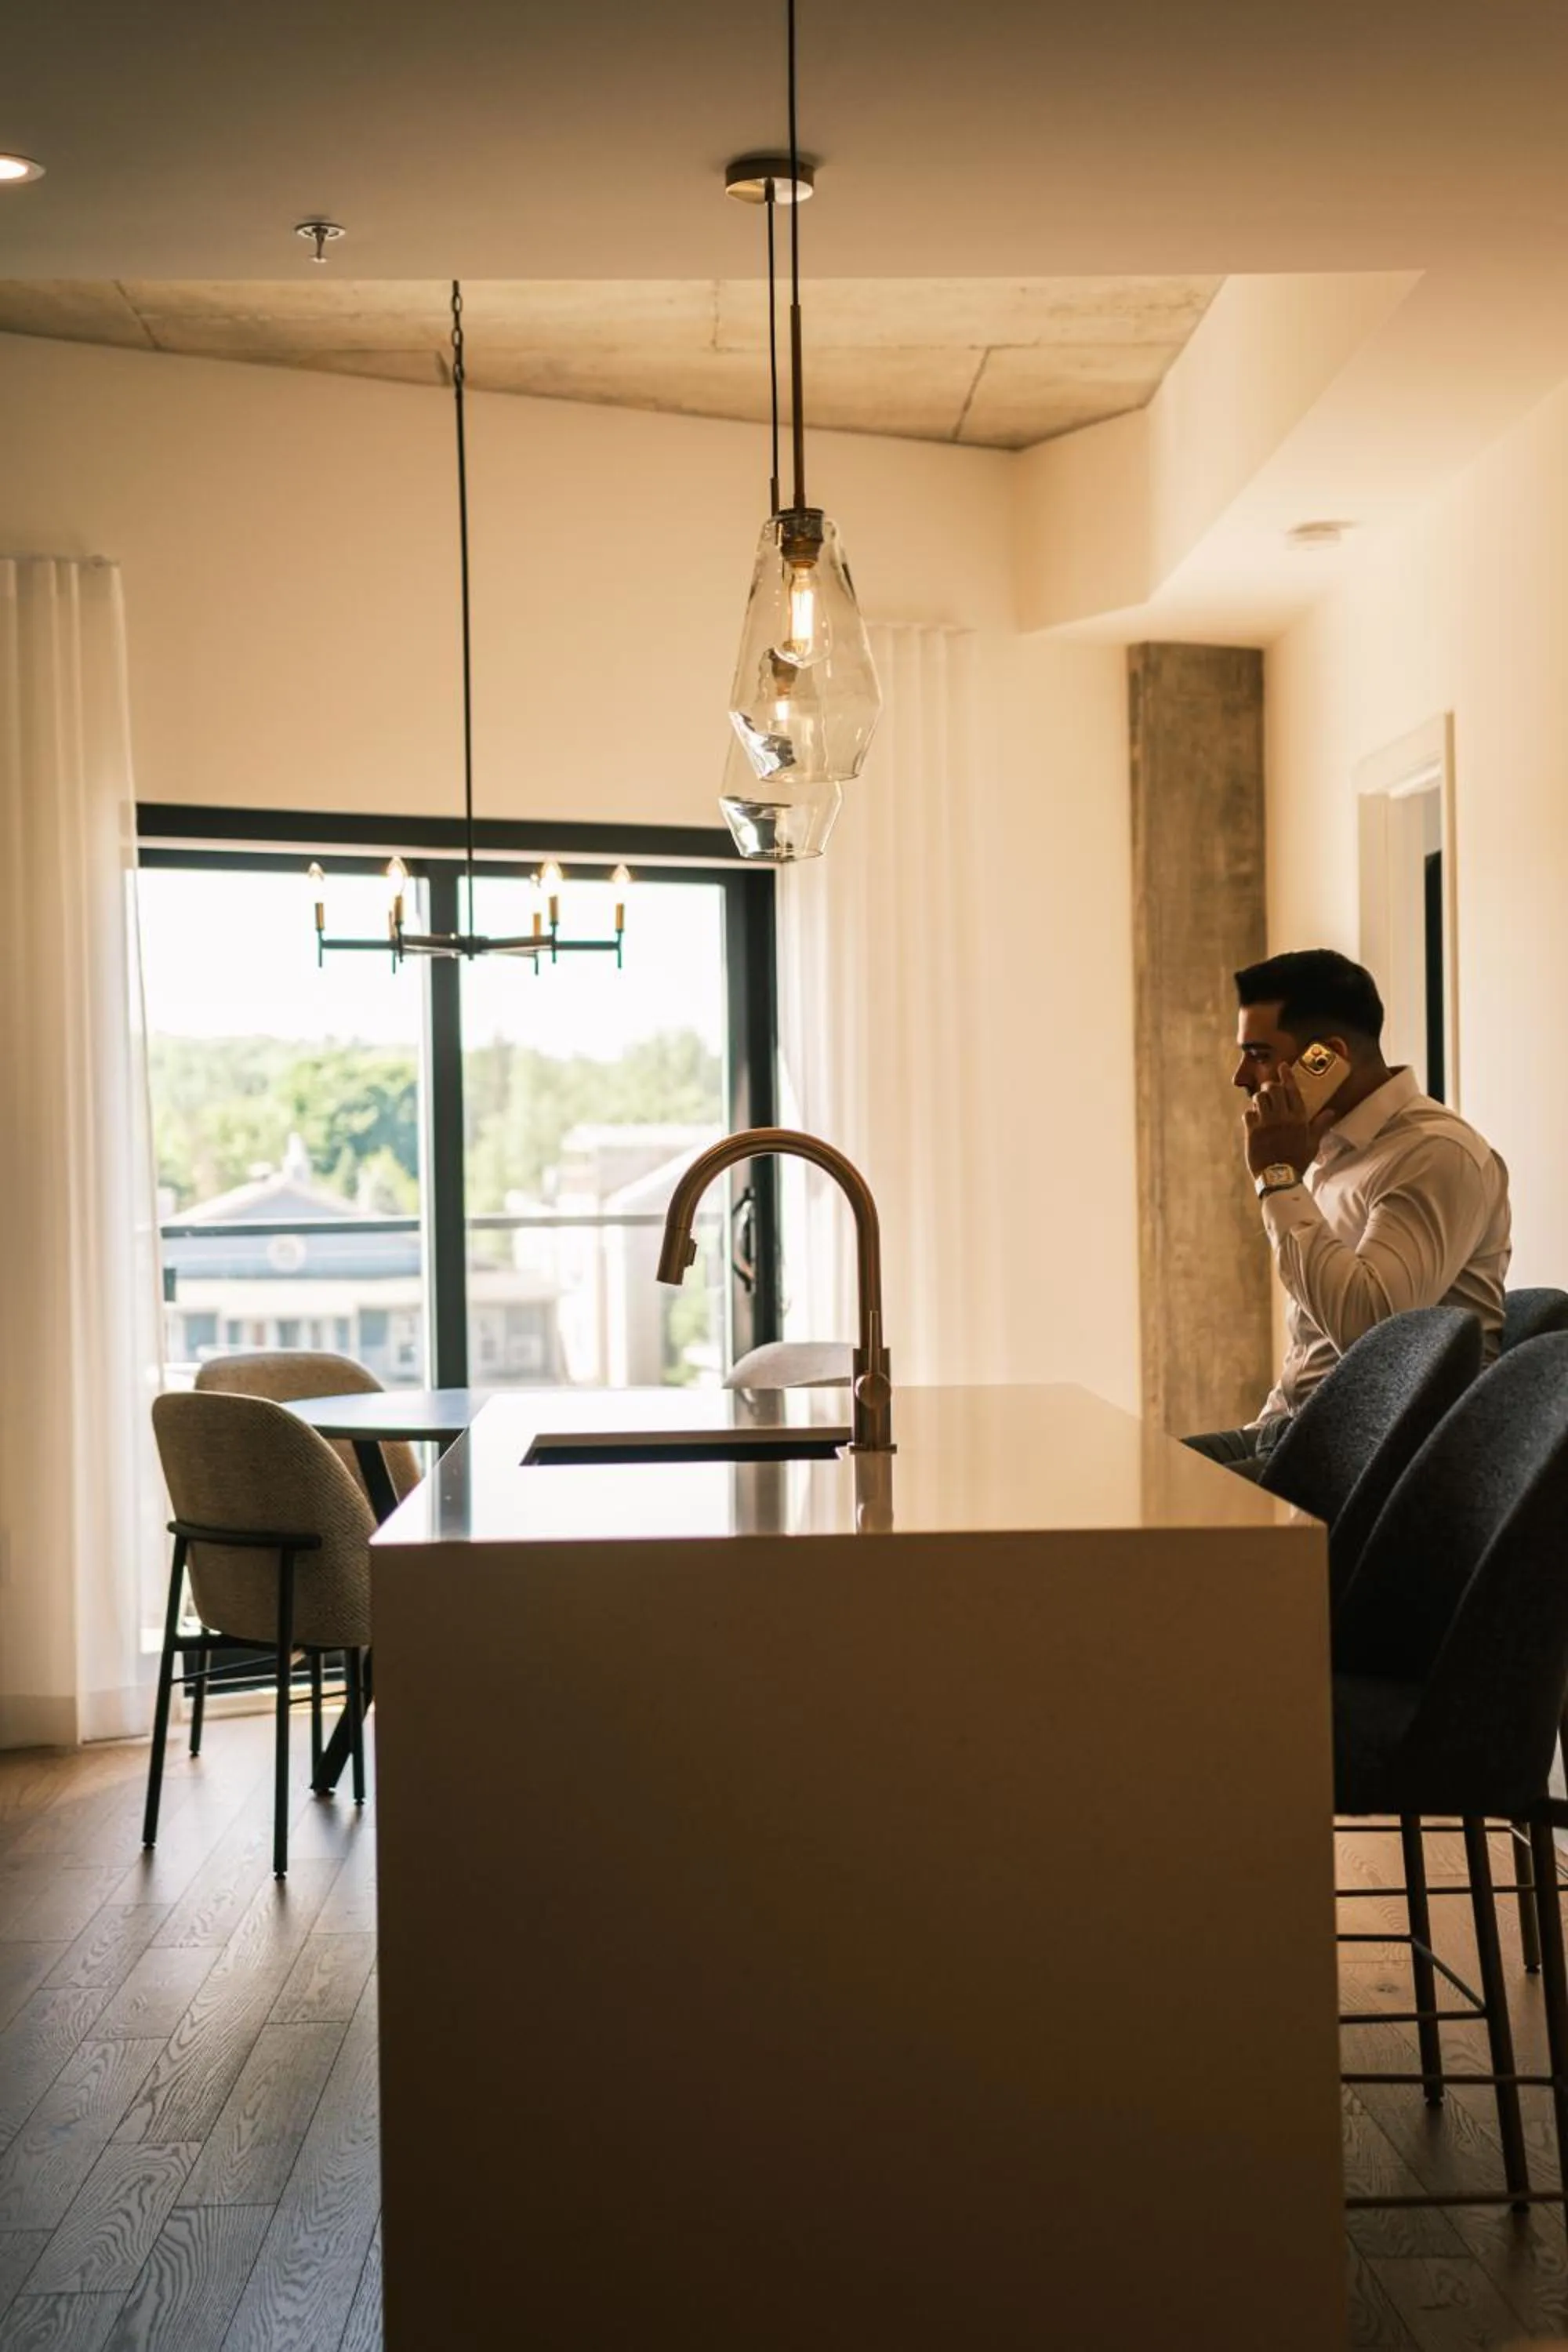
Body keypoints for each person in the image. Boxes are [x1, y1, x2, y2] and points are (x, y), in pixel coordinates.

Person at [1185, 947, 1511, 1476]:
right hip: (1295, 1432)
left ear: (1326, 1057)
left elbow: (1373, 1335)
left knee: (1142, 1510)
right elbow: (1313, 1354)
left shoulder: (1433, 1155)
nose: (1240, 1076)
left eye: (1259, 1054)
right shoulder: (1327, 1149)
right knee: (1130, 1477)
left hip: (1376, 1460)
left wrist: (1278, 1179)